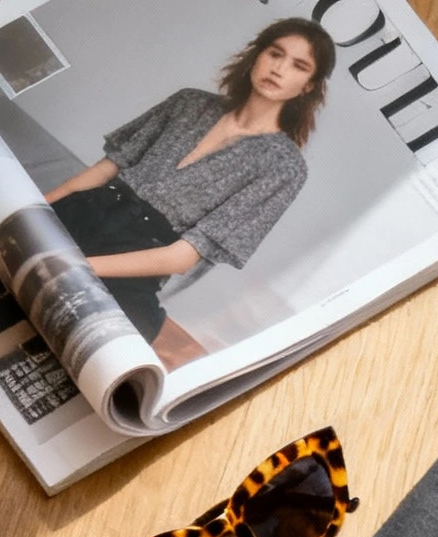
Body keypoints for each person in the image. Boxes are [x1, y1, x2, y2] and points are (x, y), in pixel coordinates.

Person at [44, 18, 334, 347]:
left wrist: (76, 267)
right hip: (79, 215)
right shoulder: (189, 102)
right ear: (257, 56)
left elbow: (181, 258)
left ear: (308, 86)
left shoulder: (284, 168)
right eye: (274, 54)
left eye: (298, 66)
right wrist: (31, 210)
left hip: (134, 258)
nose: (279, 69)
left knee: (116, 342)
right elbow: (105, 169)